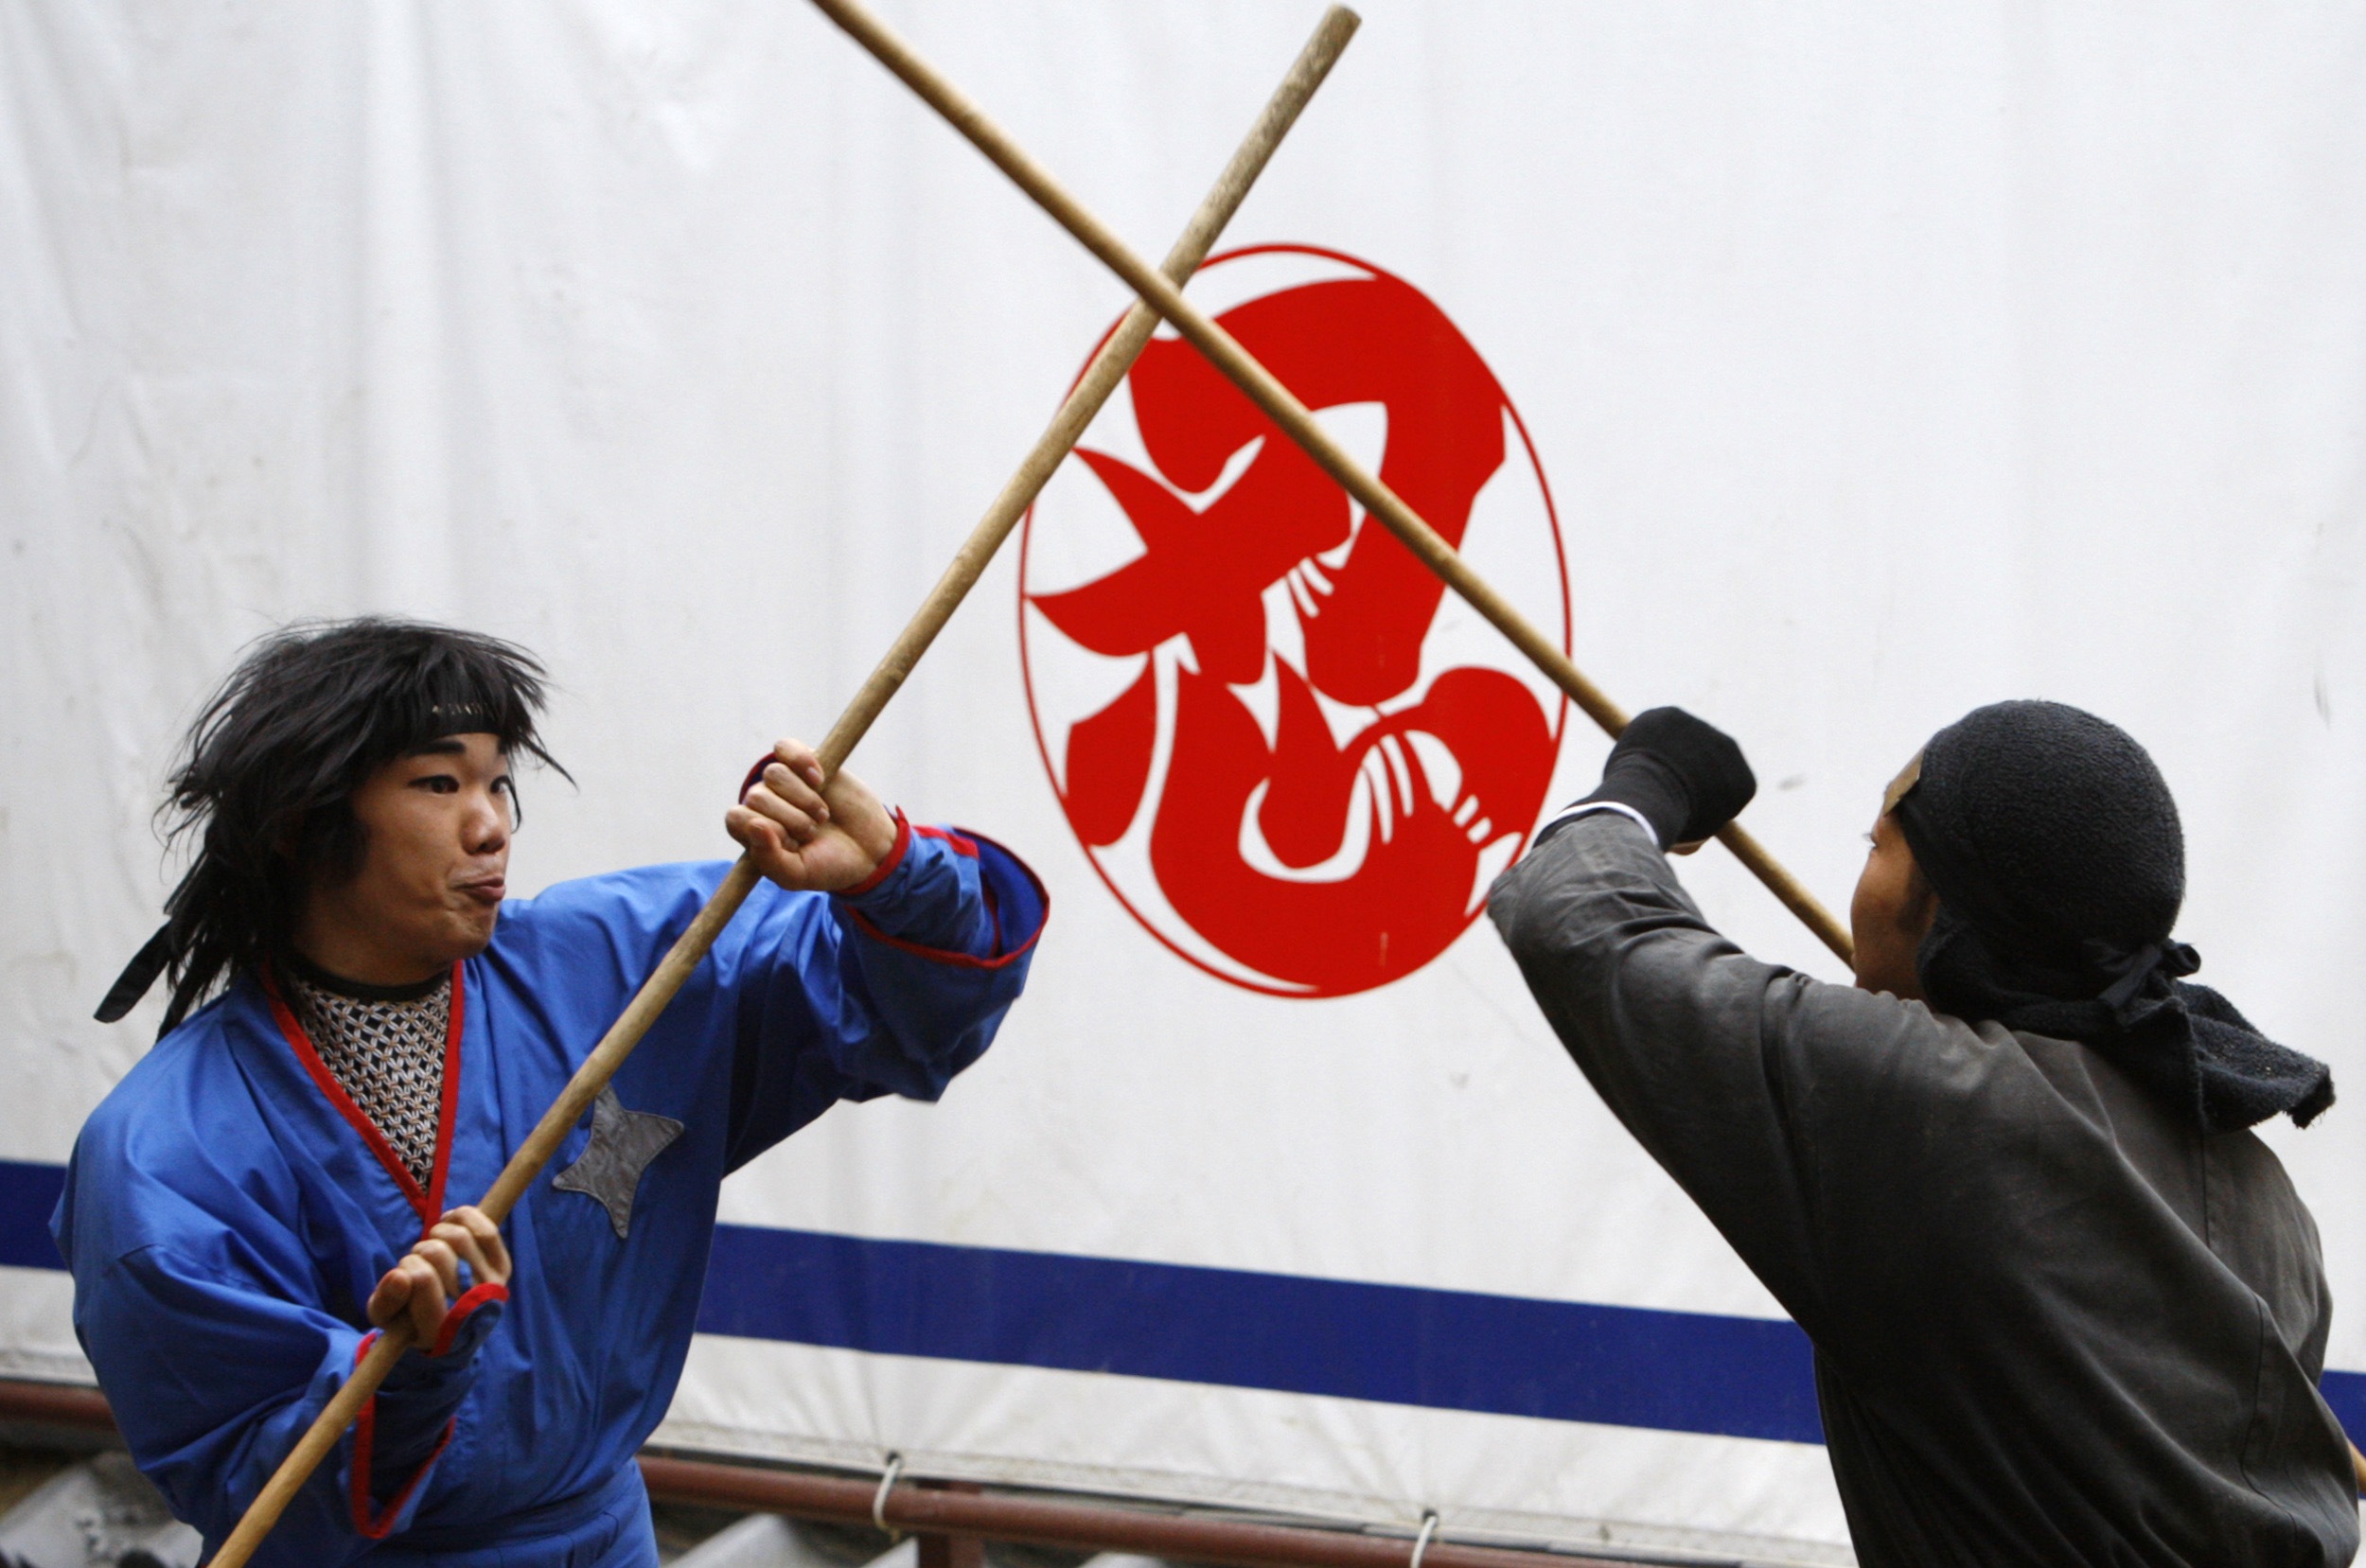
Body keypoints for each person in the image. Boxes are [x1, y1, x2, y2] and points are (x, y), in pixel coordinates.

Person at [52, 618, 1048, 1568]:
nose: (489, 825)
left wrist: (890, 875)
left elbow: (907, 1007)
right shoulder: (163, 1152)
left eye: (497, 779)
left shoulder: (625, 968)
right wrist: (408, 1373)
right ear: (299, 823)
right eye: (439, 782)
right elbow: (242, 1466)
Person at [1488, 700, 2359, 1566]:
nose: (1862, 876)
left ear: (1936, 905)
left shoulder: (1928, 1103)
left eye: (1877, 848)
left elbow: (1578, 918)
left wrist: (1651, 783)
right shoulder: (2267, 1199)